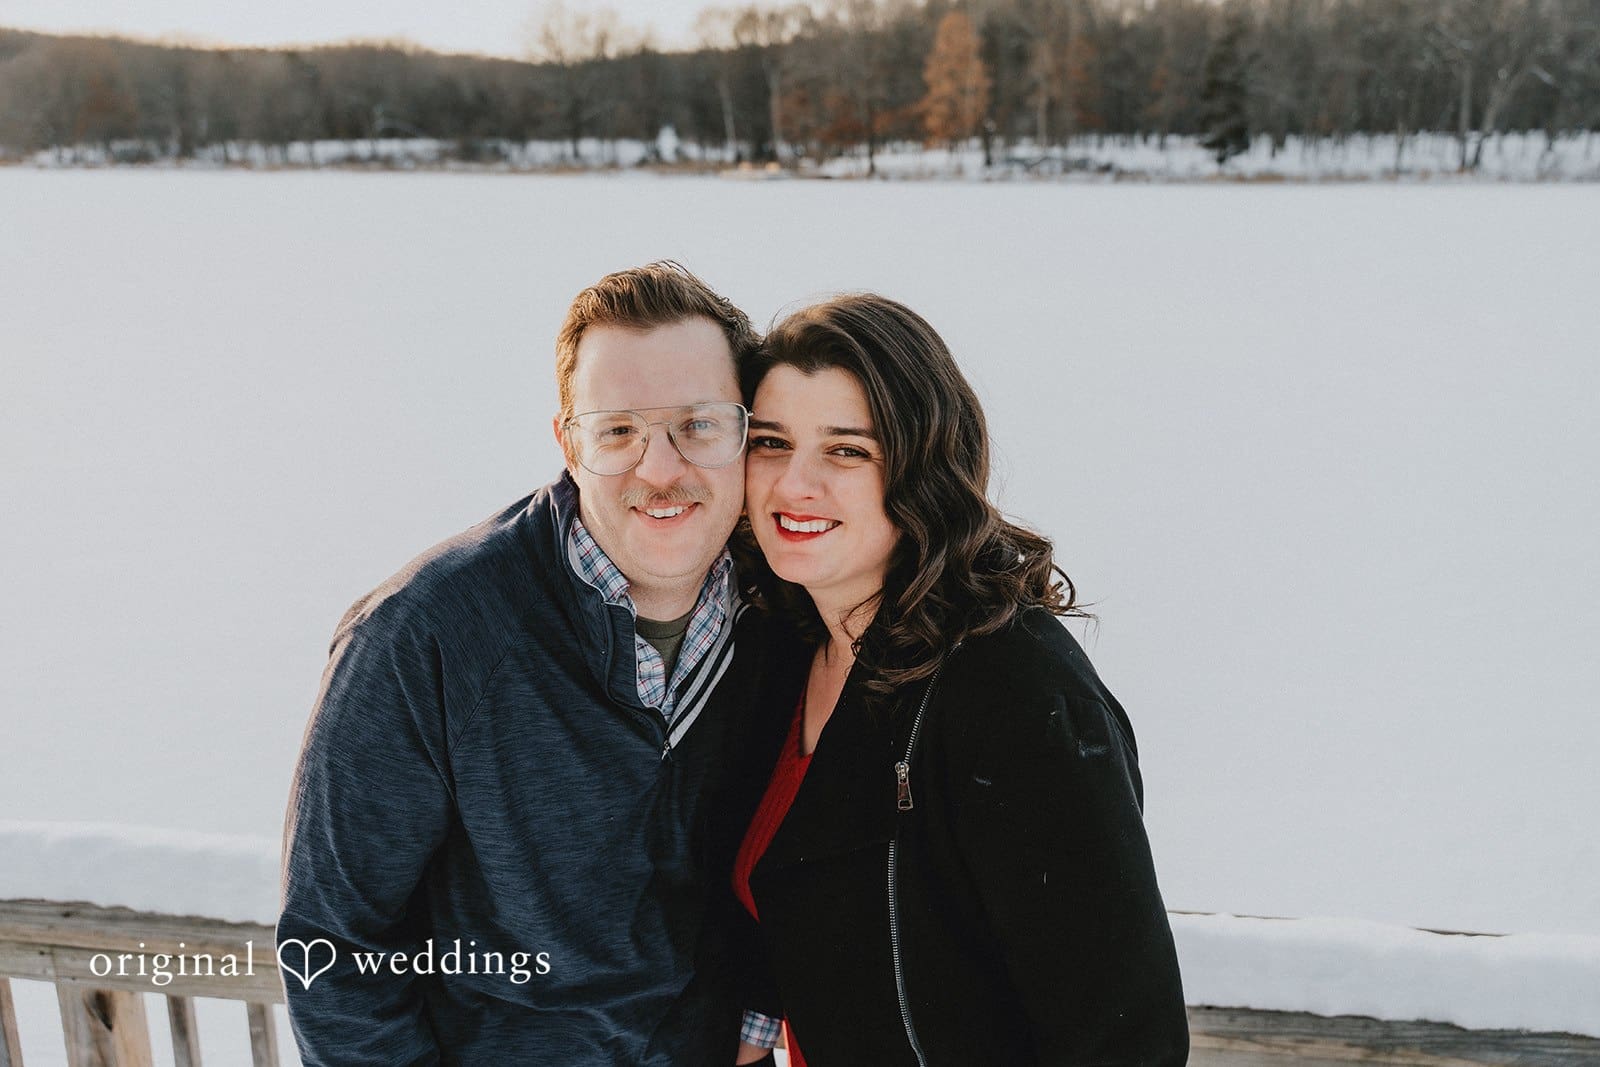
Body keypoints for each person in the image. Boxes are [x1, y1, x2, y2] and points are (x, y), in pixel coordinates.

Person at [278, 261, 782, 1065]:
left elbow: (786, 865)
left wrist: (757, 1024)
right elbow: (333, 951)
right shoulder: (425, 638)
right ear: (568, 443)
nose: (660, 469)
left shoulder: (783, 615)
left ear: (746, 433)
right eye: (618, 431)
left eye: (699, 424)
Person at [726, 294, 1190, 1066]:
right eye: (771, 443)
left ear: (922, 464)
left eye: (847, 450)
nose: (793, 484)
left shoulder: (1013, 687)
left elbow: (1123, 1036)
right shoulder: (778, 647)